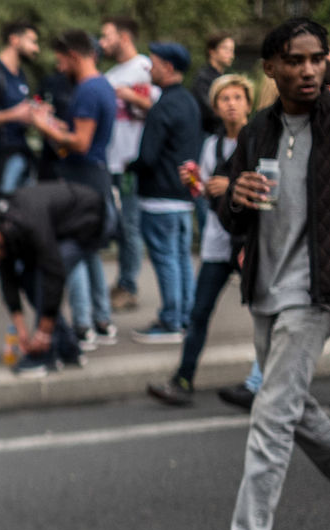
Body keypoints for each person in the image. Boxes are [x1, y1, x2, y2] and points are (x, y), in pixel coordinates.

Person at [202, 17, 330, 530]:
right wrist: (235, 197)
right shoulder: (257, 130)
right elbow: (230, 210)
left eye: (317, 58)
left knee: (270, 413)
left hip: (317, 293)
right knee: (293, 407)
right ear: (270, 68)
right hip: (265, 287)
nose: (309, 69)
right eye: (295, 60)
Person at [147, 74, 255, 404]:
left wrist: (231, 186)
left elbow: (267, 189)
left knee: (264, 316)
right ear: (215, 107)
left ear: (248, 104)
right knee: (199, 313)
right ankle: (183, 379)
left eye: (237, 97)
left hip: (250, 243)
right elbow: (207, 192)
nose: (231, 104)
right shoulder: (212, 145)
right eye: (224, 99)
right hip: (217, 241)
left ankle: (261, 384)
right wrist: (196, 183)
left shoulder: (259, 141)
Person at [28, 28, 118, 361]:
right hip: (94, 175)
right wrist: (55, 126)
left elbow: (80, 143)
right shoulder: (101, 85)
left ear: (75, 56)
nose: (59, 66)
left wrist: (43, 127)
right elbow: (82, 134)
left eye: (62, 60)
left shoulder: (87, 90)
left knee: (71, 249)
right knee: (89, 252)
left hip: (83, 178)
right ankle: (100, 320)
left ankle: (82, 326)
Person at [0, 180, 107, 376]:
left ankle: (45, 355)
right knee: (29, 279)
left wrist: (43, 332)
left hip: (86, 218)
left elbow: (54, 274)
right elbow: (7, 277)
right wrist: (20, 329)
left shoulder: (26, 222)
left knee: (42, 278)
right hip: (57, 226)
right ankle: (68, 349)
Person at [130, 42, 203, 343]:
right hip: (182, 196)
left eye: (154, 62)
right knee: (181, 258)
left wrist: (130, 166)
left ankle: (172, 320)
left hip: (159, 197)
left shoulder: (163, 106)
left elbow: (148, 156)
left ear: (169, 67)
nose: (150, 68)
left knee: (166, 259)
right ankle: (186, 318)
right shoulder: (189, 102)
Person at [0, 21, 41, 304]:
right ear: (14, 39)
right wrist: (16, 114)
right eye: (32, 40)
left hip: (22, 154)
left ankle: (17, 277)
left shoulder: (21, 75)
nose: (36, 48)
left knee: (22, 216)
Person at [100, 16, 154, 312]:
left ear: (124, 37)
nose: (102, 43)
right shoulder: (110, 74)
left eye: (107, 36)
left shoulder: (144, 68)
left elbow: (159, 110)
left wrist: (132, 97)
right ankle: (121, 281)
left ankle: (129, 286)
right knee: (118, 226)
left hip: (132, 163)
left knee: (130, 225)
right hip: (110, 162)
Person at [193, 32, 236, 135]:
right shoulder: (203, 78)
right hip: (208, 133)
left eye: (232, 50)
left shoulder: (225, 78)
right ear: (212, 51)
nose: (230, 55)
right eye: (225, 49)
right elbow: (208, 110)